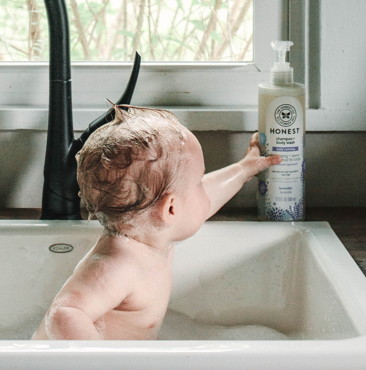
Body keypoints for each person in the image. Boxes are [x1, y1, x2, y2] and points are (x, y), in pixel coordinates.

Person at [33, 105, 280, 341]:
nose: (204, 190)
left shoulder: (153, 236)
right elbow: (64, 315)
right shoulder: (120, 264)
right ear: (171, 209)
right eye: (197, 184)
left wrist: (244, 169)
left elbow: (205, 199)